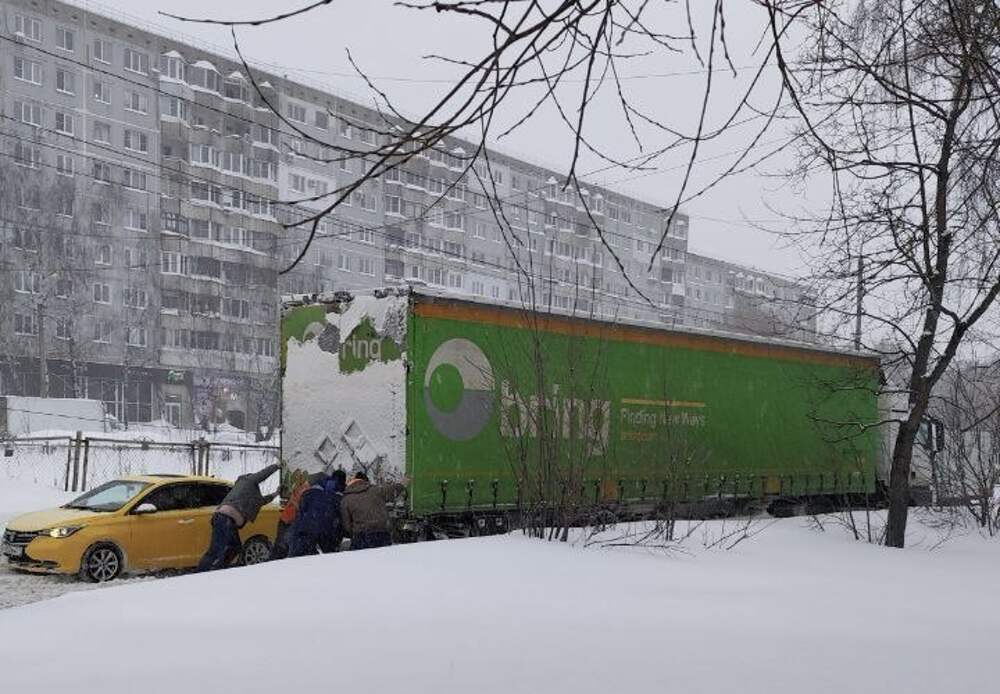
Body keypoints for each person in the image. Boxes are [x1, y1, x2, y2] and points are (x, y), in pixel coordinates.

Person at [197, 463, 280, 572]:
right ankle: (204, 572)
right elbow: (263, 474)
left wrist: (275, 494)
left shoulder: (245, 493)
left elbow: (260, 502)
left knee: (231, 547)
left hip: (223, 519)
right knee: (218, 550)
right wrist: (276, 466)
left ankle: (217, 570)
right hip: (226, 519)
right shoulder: (248, 481)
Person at [340, 471, 407, 550]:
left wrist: (355, 532)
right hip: (382, 533)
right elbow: (391, 490)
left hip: (361, 536)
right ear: (365, 481)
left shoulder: (346, 499)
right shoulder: (376, 490)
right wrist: (402, 484)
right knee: (384, 556)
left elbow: (347, 525)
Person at [288, 470, 346, 557]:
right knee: (331, 557)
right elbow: (342, 520)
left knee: (301, 557)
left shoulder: (309, 492)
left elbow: (300, 513)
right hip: (327, 530)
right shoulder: (340, 497)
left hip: (306, 529)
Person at [270, 472, 310, 560]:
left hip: (291, 521)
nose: (295, 478)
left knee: (284, 544)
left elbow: (301, 508)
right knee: (281, 543)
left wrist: (293, 501)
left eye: (297, 476)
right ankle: (276, 560)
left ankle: (278, 560)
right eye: (295, 476)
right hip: (285, 519)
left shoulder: (306, 490)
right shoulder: (296, 487)